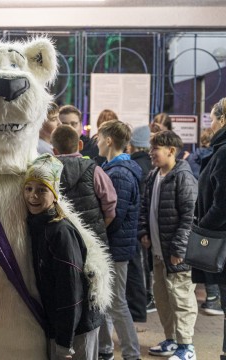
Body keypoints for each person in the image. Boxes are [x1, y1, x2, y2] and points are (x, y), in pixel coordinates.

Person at [24, 153, 103, 360]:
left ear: (55, 194)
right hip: (60, 326)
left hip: (76, 330)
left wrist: (64, 343)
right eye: (28, 188)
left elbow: (71, 291)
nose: (33, 196)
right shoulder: (38, 225)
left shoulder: (60, 232)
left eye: (42, 190)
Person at [138, 130, 198, 360]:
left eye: (155, 149)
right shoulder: (154, 175)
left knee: (181, 299)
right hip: (158, 253)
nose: (151, 153)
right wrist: (144, 232)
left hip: (175, 255)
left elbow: (190, 217)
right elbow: (145, 207)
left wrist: (178, 250)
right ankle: (172, 340)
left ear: (171, 151)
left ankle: (187, 347)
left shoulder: (183, 177)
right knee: (163, 299)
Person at [96, 120, 142, 360]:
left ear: (109, 140)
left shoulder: (121, 173)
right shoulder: (114, 169)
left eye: (99, 136)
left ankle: (132, 354)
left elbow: (115, 215)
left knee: (116, 303)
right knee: (106, 301)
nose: (96, 141)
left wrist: (98, 237)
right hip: (114, 247)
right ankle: (105, 350)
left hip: (116, 248)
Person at [190, 98, 226, 360]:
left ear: (223, 119)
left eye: (212, 118)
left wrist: (203, 227)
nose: (210, 124)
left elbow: (222, 203)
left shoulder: (224, 152)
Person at [50, 124, 117, 245]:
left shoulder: (47, 172)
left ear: (54, 151)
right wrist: (101, 226)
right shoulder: (94, 169)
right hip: (93, 240)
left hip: (60, 239)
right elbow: (110, 203)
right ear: (80, 145)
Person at [126, 125, 153, 321]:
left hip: (135, 225)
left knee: (136, 267)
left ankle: (137, 309)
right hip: (147, 224)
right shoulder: (150, 166)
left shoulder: (135, 166)